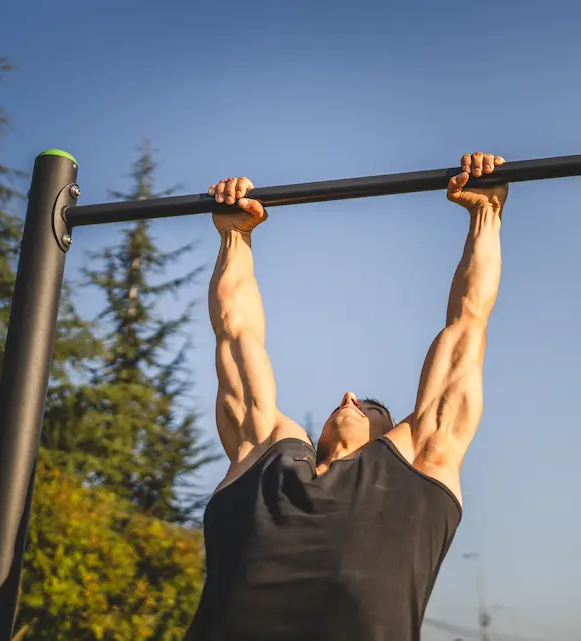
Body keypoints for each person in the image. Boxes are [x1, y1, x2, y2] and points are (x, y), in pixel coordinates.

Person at [184, 152, 507, 641]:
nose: (350, 395)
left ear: (393, 434)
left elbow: (467, 326)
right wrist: (234, 236)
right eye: (352, 399)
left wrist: (485, 215)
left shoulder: (419, 465)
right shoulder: (263, 461)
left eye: (371, 405)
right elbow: (236, 335)